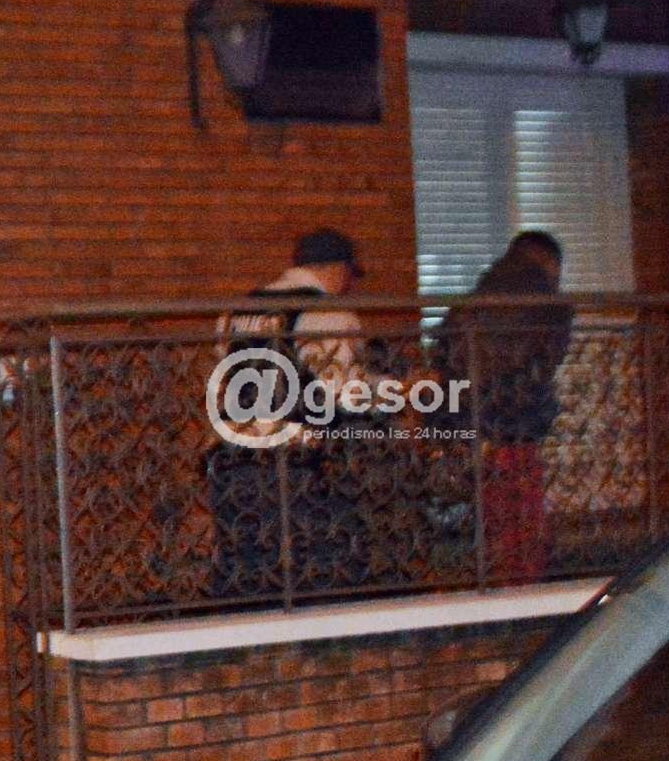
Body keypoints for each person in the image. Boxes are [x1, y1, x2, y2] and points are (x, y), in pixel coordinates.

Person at [207, 228, 404, 600]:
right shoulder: (327, 312)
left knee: (250, 573)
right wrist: (396, 392)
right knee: (323, 571)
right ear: (339, 269)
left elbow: (225, 373)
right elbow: (344, 392)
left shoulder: (237, 310)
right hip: (301, 463)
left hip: (237, 459)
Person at [437, 230, 575, 582]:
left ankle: (494, 578)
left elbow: (444, 350)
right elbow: (544, 360)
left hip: (471, 422)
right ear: (549, 262)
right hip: (517, 422)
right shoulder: (547, 302)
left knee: (493, 513)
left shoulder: (479, 295)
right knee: (523, 516)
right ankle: (523, 581)